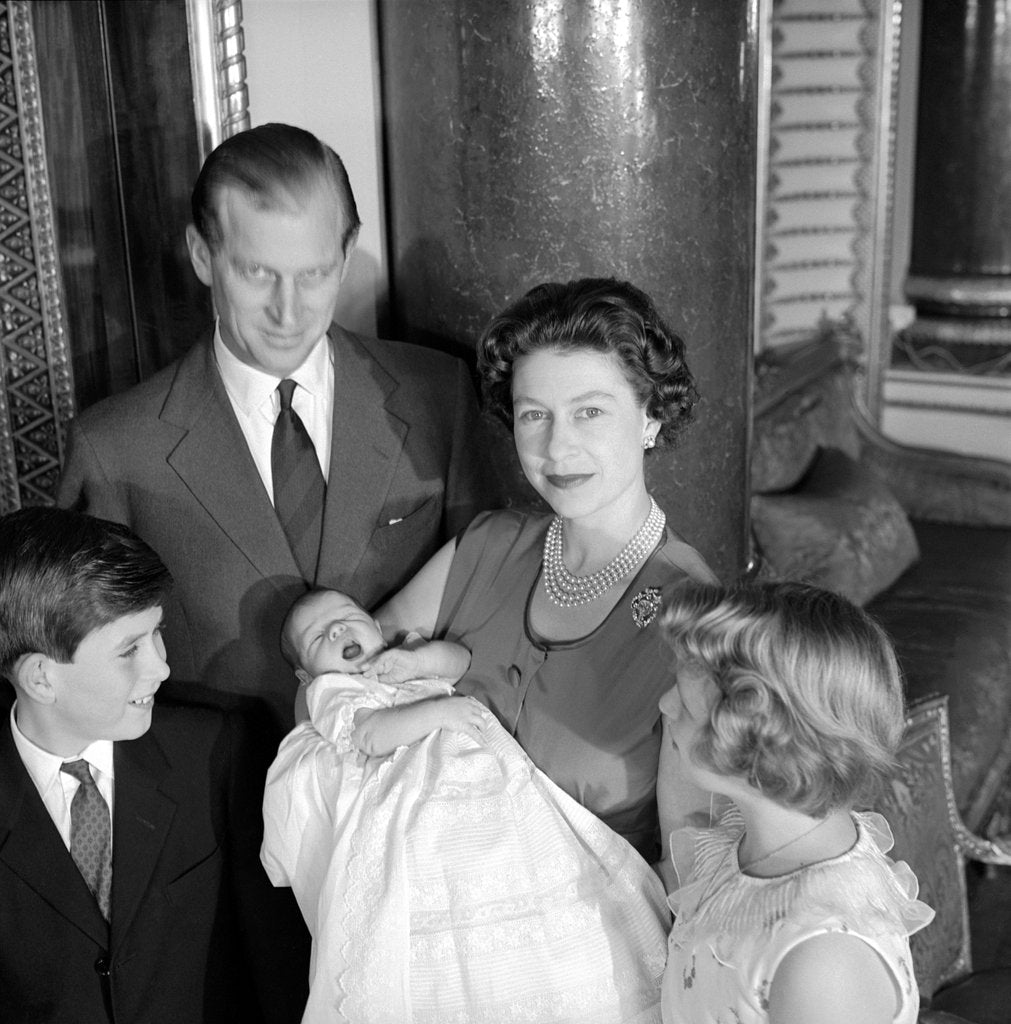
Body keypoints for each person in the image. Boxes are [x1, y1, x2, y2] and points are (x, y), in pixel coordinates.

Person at [56, 122, 493, 740]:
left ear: (347, 253)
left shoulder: (439, 394)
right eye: (258, 273)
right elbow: (83, 685)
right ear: (204, 256)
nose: (289, 313)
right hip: (218, 820)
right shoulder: (114, 449)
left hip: (421, 802)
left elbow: (494, 595)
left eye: (314, 274)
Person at [378, 276, 718, 870]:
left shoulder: (698, 616)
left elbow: (689, 869)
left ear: (650, 417)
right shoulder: (486, 546)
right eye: (534, 414)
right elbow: (342, 678)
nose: (557, 448)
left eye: (589, 412)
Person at [262, 588, 669, 1024]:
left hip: (485, 771)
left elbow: (459, 661)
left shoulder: (404, 652)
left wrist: (420, 662)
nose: (338, 628)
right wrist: (438, 713)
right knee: (445, 863)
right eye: (319, 637)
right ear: (306, 676)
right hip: (415, 778)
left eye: (346, 616)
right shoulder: (334, 691)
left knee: (531, 851)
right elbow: (370, 735)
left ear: (377, 626)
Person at [0, 507, 278, 1024]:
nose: (162, 666)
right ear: (41, 678)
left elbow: (274, 957)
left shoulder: (215, 753)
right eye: (129, 650)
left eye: (157, 633)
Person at [657, 580, 934, 1024]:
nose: (664, 705)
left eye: (687, 706)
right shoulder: (749, 837)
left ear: (760, 747)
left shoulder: (821, 960)